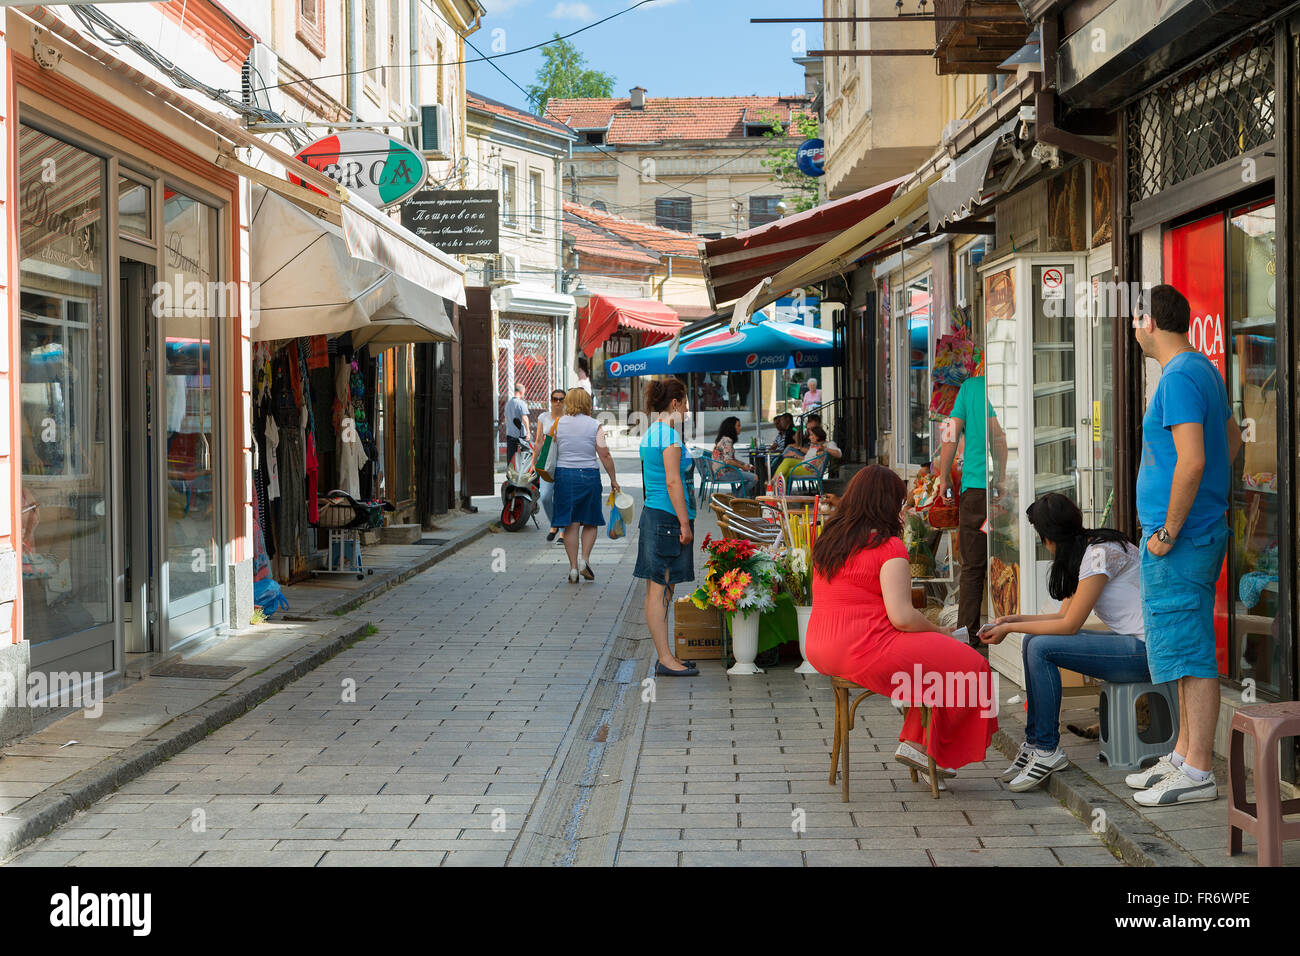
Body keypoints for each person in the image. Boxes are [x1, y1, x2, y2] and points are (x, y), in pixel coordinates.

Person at [806, 465, 997, 778]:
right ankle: (921, 745)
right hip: (863, 647)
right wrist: (939, 632)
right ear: (887, 505)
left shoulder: (830, 539)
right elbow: (903, 617)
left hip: (821, 646)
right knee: (971, 666)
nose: (904, 509)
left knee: (936, 663)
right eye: (901, 503)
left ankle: (918, 742)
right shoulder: (887, 546)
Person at [1129, 283, 1241, 807]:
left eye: (1135, 320)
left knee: (1190, 651)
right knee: (1177, 645)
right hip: (1198, 531)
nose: (1133, 329)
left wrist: (1168, 531)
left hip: (1181, 539)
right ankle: (1182, 754)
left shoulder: (1176, 377)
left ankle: (1198, 771)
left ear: (1151, 322)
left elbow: (1193, 460)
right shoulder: (1203, 369)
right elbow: (1234, 438)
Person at [980, 493, 1148, 791]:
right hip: (1130, 645)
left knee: (1042, 646)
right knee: (1034, 639)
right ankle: (1035, 743)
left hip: (1146, 652)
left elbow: (1069, 626)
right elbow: (1062, 617)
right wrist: (1011, 621)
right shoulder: (1086, 550)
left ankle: (1047, 749)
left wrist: (1010, 628)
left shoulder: (1099, 554)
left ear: (1049, 538)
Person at [635, 378, 698, 676]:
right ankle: (665, 658)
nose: (686, 410)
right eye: (684, 404)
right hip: (667, 520)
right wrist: (685, 523)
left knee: (657, 589)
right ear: (674, 404)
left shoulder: (649, 434)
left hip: (654, 516)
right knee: (659, 590)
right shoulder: (669, 437)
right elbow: (673, 482)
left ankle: (667, 655)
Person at [937, 369, 988, 649]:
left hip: (976, 491)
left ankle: (969, 634)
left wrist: (943, 477)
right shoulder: (1019, 375)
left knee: (972, 564)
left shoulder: (969, 388)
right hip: (1012, 487)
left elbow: (949, 435)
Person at [553, 387, 620, 583]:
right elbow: (604, 454)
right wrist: (613, 479)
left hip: (564, 475)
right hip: (588, 475)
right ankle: (585, 560)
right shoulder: (595, 425)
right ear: (587, 403)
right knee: (589, 521)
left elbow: (550, 448)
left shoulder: (558, 424)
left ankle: (573, 568)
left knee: (570, 524)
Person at [534, 389, 566, 543]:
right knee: (546, 496)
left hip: (564, 461)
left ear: (565, 401)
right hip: (547, 462)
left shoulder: (568, 419)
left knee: (561, 497)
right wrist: (534, 461)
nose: (558, 402)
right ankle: (554, 523)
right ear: (551, 400)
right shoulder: (543, 417)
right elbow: (539, 440)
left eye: (561, 399)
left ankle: (562, 533)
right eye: (555, 399)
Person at [711, 416, 758, 495]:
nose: (740, 428)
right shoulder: (727, 441)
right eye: (738, 425)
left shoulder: (724, 439)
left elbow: (732, 459)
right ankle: (736, 497)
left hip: (720, 472)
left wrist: (744, 464)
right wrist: (743, 467)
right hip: (723, 473)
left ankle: (735, 496)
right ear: (732, 428)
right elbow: (728, 461)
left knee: (747, 475)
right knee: (754, 478)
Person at [503, 385, 531, 466]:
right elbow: (525, 418)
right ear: (521, 392)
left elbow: (506, 419)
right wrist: (528, 432)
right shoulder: (521, 403)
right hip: (521, 435)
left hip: (510, 434)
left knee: (511, 458)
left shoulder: (508, 404)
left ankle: (510, 475)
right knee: (524, 458)